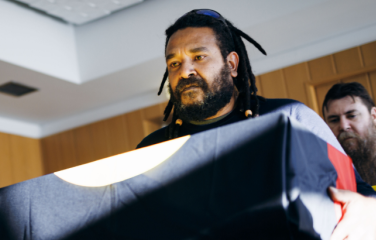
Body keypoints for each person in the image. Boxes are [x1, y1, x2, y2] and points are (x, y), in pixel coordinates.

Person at [137, 9, 376, 239]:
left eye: (198, 57)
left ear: (231, 64)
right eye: (174, 63)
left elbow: (357, 192)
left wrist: (369, 210)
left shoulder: (290, 117)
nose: (185, 71)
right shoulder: (152, 149)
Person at [323, 82, 376, 186]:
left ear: (373, 116)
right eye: (334, 120)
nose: (343, 126)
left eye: (352, 116)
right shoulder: (326, 173)